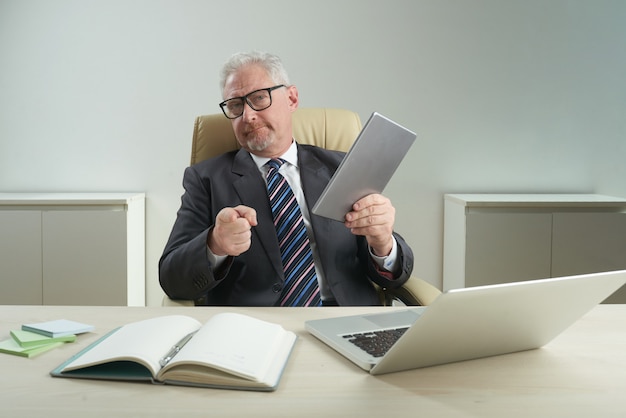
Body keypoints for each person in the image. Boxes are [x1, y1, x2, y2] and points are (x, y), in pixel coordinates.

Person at [159, 51, 414, 306]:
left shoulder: (341, 167)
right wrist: (214, 244)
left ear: (291, 98)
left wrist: (382, 243)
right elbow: (171, 278)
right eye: (236, 105)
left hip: (343, 317)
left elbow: (394, 276)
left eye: (259, 98)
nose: (247, 116)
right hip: (253, 328)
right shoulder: (206, 179)